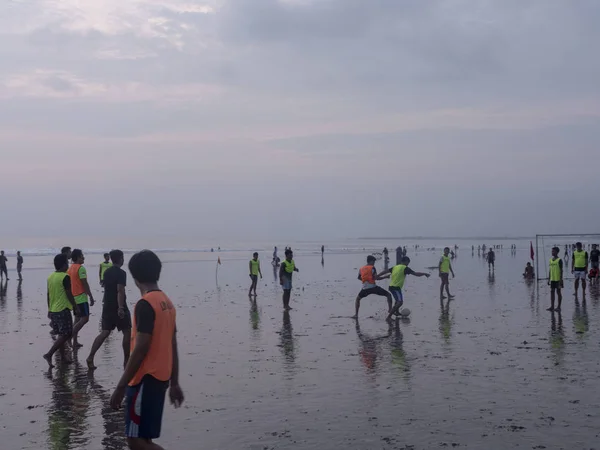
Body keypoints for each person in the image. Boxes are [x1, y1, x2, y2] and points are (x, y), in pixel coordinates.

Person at [109, 250, 183, 450]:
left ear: (134, 277)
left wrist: (121, 386)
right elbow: (172, 343)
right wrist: (174, 382)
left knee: (135, 441)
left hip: (144, 380)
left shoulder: (145, 304)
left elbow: (141, 347)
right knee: (145, 438)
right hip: (161, 379)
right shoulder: (167, 302)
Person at [87, 250, 132, 370]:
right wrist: (121, 307)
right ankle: (126, 361)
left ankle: (90, 357)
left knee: (105, 332)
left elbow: (107, 288)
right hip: (118, 305)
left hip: (107, 304)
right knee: (127, 331)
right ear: (121, 259)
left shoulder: (107, 272)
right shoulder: (122, 273)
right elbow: (120, 290)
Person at [43, 253, 80, 368]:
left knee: (60, 334)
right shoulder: (65, 277)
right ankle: (49, 354)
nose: (68, 264)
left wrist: (49, 309)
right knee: (67, 333)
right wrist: (75, 306)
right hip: (63, 309)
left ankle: (63, 357)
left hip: (53, 309)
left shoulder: (50, 277)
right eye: (67, 262)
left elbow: (48, 295)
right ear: (64, 264)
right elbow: (69, 293)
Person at [68, 249, 96, 348]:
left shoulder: (70, 268)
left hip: (73, 297)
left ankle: (75, 341)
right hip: (81, 297)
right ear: (77, 257)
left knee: (77, 319)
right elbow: (84, 283)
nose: (83, 258)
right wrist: (91, 296)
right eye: (81, 256)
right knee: (85, 319)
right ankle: (69, 337)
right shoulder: (81, 268)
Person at [548, 247, 563, 312]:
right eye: (552, 251)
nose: (552, 252)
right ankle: (552, 306)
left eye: (553, 251)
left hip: (558, 279)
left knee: (558, 292)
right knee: (552, 292)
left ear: (557, 252)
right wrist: (549, 279)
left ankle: (559, 307)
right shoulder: (550, 260)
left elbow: (561, 270)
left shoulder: (559, 260)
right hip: (552, 279)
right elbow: (550, 270)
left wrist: (561, 280)